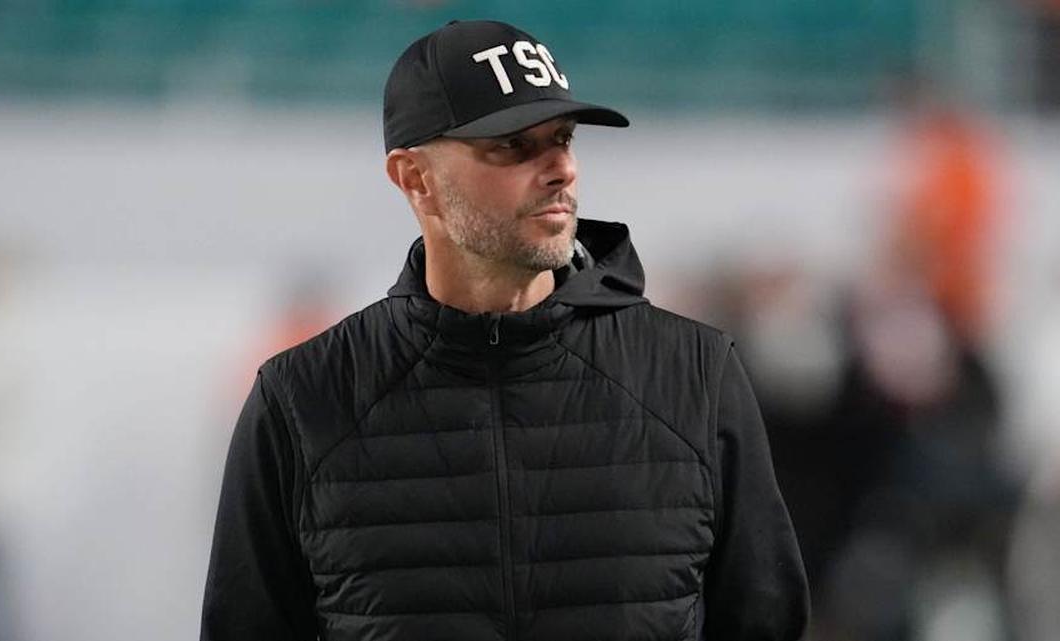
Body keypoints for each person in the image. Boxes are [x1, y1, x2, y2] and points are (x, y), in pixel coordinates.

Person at [201, 19, 809, 641]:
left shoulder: (695, 376)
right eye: (513, 146)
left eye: (564, 138)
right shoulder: (302, 400)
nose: (561, 169)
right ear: (415, 178)